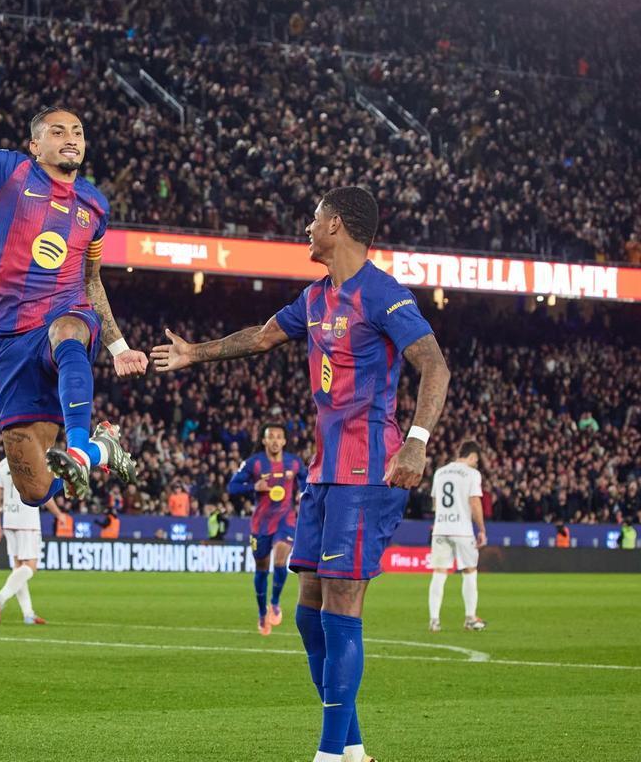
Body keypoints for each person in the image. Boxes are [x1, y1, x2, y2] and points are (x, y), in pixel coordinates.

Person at [152, 187, 450, 762]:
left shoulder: (383, 294)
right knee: (308, 613)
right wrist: (194, 354)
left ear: (335, 225)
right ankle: (354, 746)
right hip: (322, 472)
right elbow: (261, 337)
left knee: (341, 603)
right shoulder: (316, 297)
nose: (306, 227)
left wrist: (415, 445)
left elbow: (434, 367)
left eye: (314, 219)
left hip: (368, 470)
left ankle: (330, 754)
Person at [0, 106, 148, 504]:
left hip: (65, 315)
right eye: (58, 132)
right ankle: (100, 449)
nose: (71, 138)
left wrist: (119, 348)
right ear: (35, 145)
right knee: (34, 490)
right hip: (9, 337)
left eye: (77, 131)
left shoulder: (95, 205)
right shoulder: (12, 171)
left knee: (67, 329)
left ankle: (76, 447)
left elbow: (91, 280)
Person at [228, 422, 308, 635]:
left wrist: (303, 493)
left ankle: (274, 603)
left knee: (281, 558)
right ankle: (262, 613)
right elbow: (232, 487)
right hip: (261, 523)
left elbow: (307, 480)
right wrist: (252, 487)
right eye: (270, 436)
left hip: (286, 519)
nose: (274, 440)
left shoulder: (294, 463)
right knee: (262, 568)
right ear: (263, 440)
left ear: (284, 441)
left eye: (278, 436)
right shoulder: (254, 464)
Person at [0, 456, 62, 625]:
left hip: (9, 520)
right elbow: (45, 495)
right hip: (28, 521)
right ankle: (0, 597)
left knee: (18, 569)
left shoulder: (4, 463)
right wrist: (58, 514)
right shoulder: (34, 461)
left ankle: (28, 614)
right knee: (30, 567)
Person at [427, 440, 487, 632]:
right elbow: (475, 503)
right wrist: (482, 529)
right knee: (469, 571)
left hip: (441, 528)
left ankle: (434, 621)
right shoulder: (472, 474)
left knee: (439, 573)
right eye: (476, 461)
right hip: (462, 529)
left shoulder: (440, 472)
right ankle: (470, 618)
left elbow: (435, 504)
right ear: (473, 457)